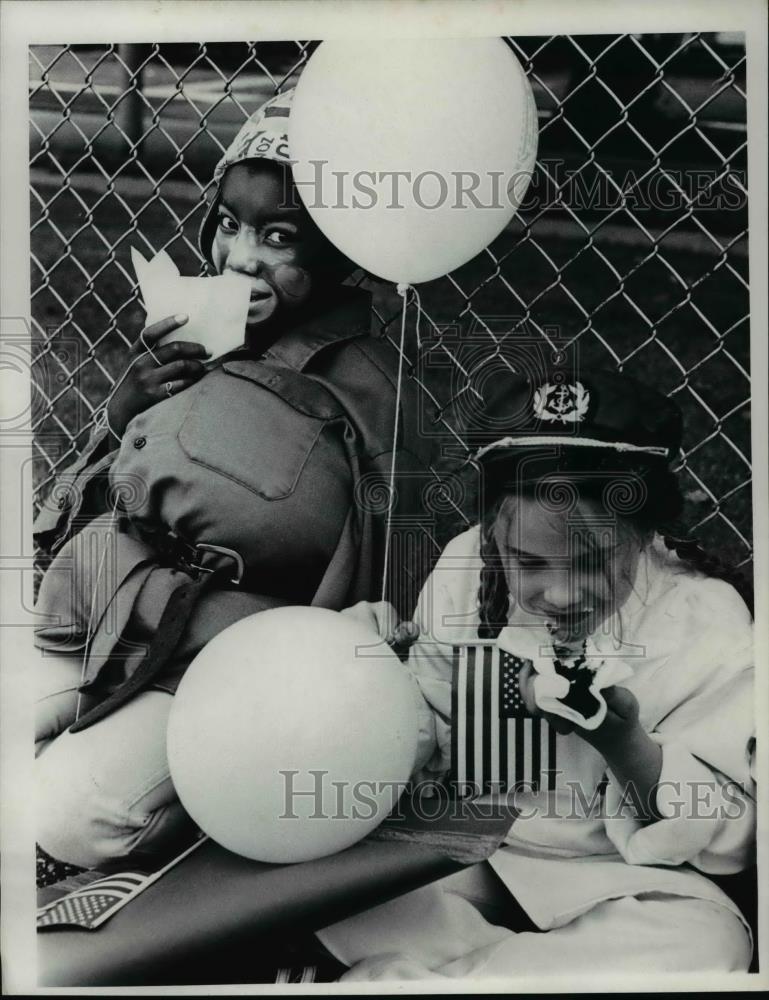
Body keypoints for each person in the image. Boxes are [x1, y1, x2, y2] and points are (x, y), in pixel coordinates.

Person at [33, 89, 431, 868]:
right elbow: (77, 512)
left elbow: (395, 561)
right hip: (103, 613)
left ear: (343, 252)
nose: (240, 255)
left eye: (278, 237)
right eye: (228, 224)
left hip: (220, 664)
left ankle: (197, 831)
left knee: (71, 814)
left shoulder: (374, 387)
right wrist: (122, 413)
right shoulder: (195, 339)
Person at [317, 368, 756, 978]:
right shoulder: (466, 567)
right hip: (456, 852)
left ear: (645, 529)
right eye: (527, 560)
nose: (559, 592)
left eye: (594, 560)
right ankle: (501, 973)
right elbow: (424, 739)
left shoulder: (705, 617)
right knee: (321, 872)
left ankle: (399, 979)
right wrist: (368, 682)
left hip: (609, 877)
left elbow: (732, 830)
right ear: (494, 528)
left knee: (708, 944)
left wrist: (624, 744)